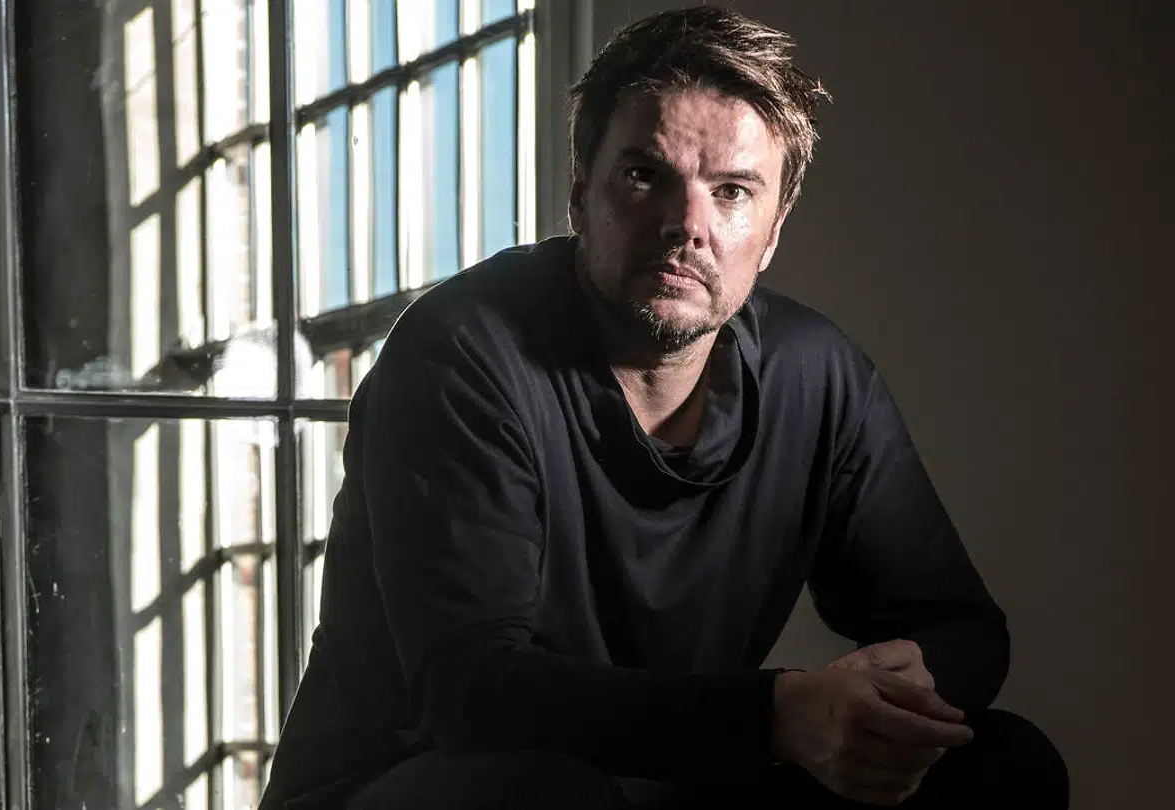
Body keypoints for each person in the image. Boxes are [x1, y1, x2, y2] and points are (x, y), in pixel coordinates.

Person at [260, 6, 1067, 809]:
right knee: (544, 795)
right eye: (646, 176)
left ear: (774, 230)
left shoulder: (815, 376)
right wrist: (779, 713)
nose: (687, 226)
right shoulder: (463, 354)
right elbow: (474, 694)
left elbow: (963, 629)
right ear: (581, 193)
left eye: (732, 192)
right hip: (416, 786)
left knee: (1003, 763)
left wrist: (896, 690)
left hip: (664, 785)